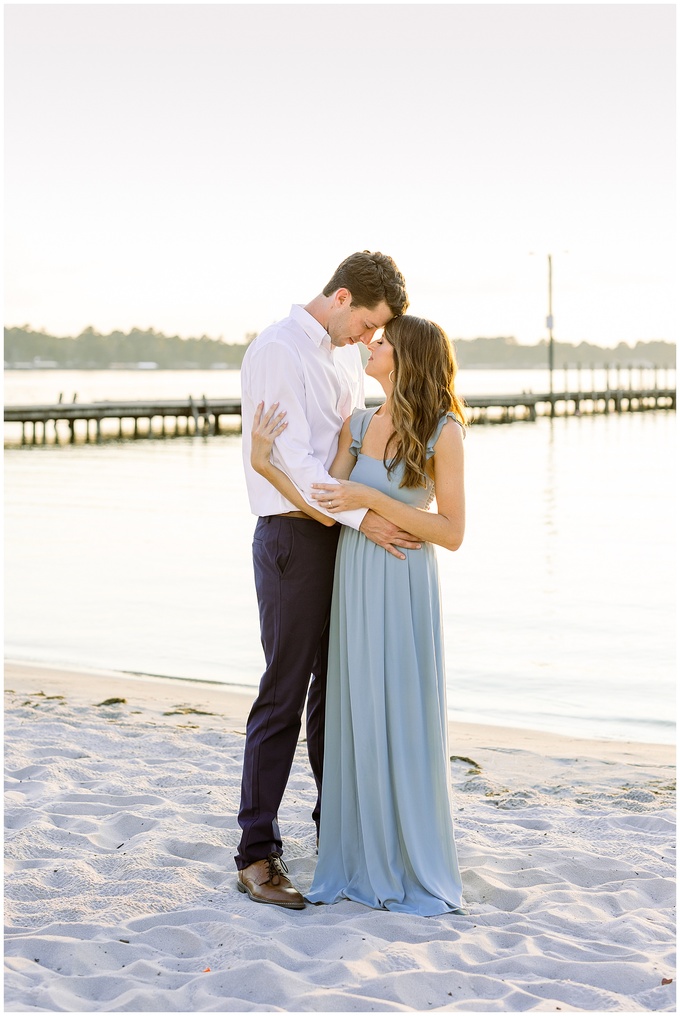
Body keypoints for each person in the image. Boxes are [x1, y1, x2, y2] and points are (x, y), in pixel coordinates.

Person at [251, 314, 467, 916]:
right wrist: (267, 465)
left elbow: (452, 533)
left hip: (402, 583)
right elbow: (326, 502)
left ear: (407, 358)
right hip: (353, 580)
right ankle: (355, 846)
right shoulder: (358, 422)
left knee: (399, 709)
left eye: (383, 341)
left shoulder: (443, 431)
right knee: (352, 713)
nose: (372, 344)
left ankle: (404, 850)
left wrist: (372, 498)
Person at [236, 251, 412, 910]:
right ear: (341, 298)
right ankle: (256, 854)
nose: (371, 340)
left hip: (340, 534)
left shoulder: (341, 358)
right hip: (291, 536)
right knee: (282, 692)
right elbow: (294, 461)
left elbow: (348, 452)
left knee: (331, 692)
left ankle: (331, 831)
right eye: (368, 324)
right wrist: (367, 519)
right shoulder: (278, 351)